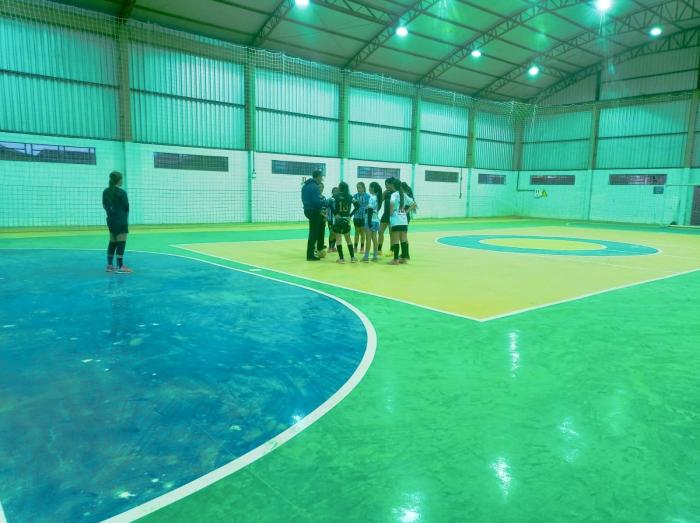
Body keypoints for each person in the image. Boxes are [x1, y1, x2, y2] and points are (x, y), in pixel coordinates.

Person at [102, 171, 132, 273]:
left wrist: (111, 214)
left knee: (112, 242)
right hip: (121, 220)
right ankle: (120, 266)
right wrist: (124, 216)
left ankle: (109, 266)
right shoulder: (122, 193)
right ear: (119, 180)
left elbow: (104, 206)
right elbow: (126, 207)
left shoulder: (106, 192)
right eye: (122, 179)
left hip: (111, 220)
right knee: (121, 242)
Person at [388, 179, 416, 265]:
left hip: (396, 220)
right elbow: (414, 204)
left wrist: (391, 213)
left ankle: (395, 260)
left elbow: (391, 206)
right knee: (404, 239)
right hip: (404, 220)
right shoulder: (404, 194)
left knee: (395, 240)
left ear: (393, 186)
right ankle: (404, 258)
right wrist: (406, 212)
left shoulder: (393, 195)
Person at [301, 170, 325, 261]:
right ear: (318, 176)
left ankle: (313, 251)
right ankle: (310, 255)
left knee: (313, 232)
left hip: (307, 210)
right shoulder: (315, 186)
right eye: (321, 177)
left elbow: (303, 198)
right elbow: (316, 202)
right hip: (314, 211)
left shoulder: (305, 186)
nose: (322, 178)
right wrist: (325, 202)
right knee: (313, 234)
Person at [332, 182, 357, 264]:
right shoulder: (350, 197)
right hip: (346, 220)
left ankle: (341, 259)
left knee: (338, 240)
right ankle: (353, 258)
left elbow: (328, 203)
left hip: (338, 221)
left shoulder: (335, 196)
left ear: (340, 188)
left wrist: (335, 214)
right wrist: (350, 215)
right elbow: (358, 205)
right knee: (348, 239)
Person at [362, 181, 382, 263]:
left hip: (370, 219)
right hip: (376, 220)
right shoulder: (378, 198)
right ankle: (375, 256)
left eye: (370, 187)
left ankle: (366, 257)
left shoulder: (372, 198)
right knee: (374, 238)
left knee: (368, 238)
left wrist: (369, 221)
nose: (369, 189)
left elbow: (370, 209)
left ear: (373, 188)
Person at [377, 178, 394, 256]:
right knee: (380, 231)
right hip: (385, 215)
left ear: (391, 184)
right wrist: (382, 193)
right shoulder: (386, 193)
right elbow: (380, 201)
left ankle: (392, 250)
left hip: (392, 216)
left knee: (392, 234)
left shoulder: (396, 194)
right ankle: (379, 250)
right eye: (385, 185)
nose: (386, 186)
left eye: (387, 184)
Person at [352, 182, 369, 253]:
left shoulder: (368, 196)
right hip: (356, 216)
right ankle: (355, 247)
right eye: (357, 187)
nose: (358, 189)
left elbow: (369, 206)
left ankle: (362, 247)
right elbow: (354, 205)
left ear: (363, 187)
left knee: (362, 232)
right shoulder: (355, 196)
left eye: (359, 187)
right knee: (356, 232)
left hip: (364, 217)